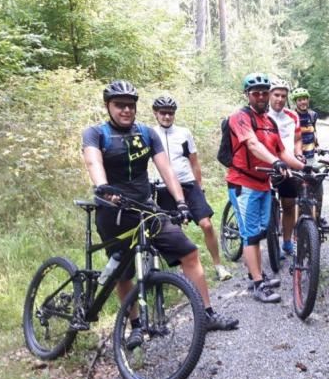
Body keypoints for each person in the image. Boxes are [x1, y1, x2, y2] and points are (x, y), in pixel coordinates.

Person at [82, 81, 238, 347]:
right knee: (123, 272)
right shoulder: (96, 133)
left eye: (130, 105)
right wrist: (103, 188)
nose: (126, 110)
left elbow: (166, 170)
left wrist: (180, 202)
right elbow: (93, 161)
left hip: (146, 208)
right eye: (119, 105)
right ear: (108, 106)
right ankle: (135, 326)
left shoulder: (146, 133)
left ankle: (207, 314)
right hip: (113, 212)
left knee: (189, 252)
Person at [225, 72, 306, 303]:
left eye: (263, 93)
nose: (260, 97)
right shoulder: (240, 117)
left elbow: (282, 151)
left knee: (260, 232)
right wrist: (275, 162)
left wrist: (304, 168)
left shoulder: (269, 122)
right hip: (243, 183)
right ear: (247, 95)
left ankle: (256, 274)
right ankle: (258, 284)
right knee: (251, 235)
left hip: (263, 182)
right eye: (255, 93)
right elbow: (252, 144)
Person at [149, 96, 233, 282]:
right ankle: (184, 271)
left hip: (188, 184)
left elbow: (194, 161)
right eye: (163, 113)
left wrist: (199, 186)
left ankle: (218, 266)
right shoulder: (150, 134)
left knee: (206, 224)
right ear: (156, 113)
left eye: (171, 113)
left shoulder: (184, 133)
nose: (167, 116)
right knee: (174, 231)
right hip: (163, 187)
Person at [267, 78, 302, 258]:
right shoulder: (262, 115)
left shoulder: (293, 116)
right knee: (268, 207)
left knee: (289, 205)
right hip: (267, 166)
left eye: (283, 95)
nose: (280, 99)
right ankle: (271, 243)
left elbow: (297, 139)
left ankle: (287, 241)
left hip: (289, 166)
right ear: (269, 95)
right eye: (276, 95)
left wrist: (298, 154)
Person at [290, 87, 329, 231]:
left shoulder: (313, 115)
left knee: (318, 188)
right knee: (296, 190)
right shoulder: (291, 116)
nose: (303, 102)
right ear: (295, 102)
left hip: (311, 156)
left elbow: (313, 132)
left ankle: (317, 218)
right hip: (295, 158)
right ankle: (293, 219)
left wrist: (317, 146)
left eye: (305, 99)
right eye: (300, 100)